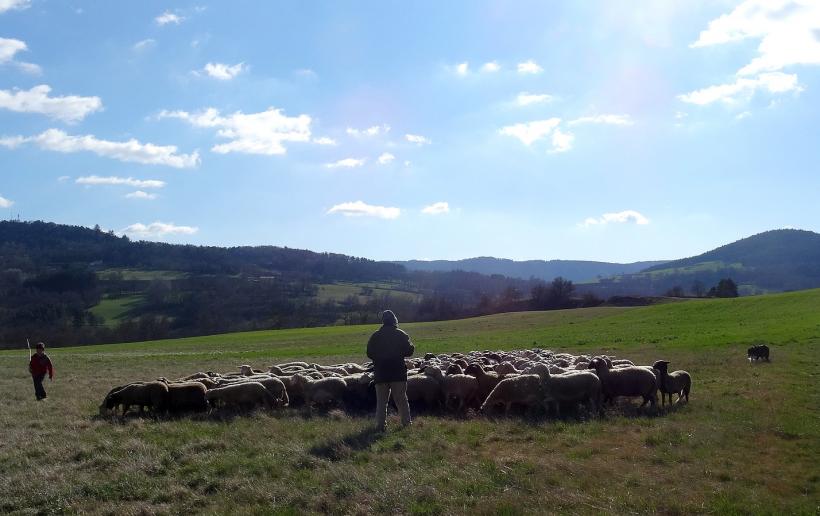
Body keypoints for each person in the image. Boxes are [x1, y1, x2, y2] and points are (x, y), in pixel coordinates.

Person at [366, 310, 414, 432]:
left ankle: (380, 426)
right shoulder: (401, 334)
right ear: (394, 320)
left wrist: (379, 359)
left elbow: (369, 353)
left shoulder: (375, 336)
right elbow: (409, 351)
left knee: (382, 402)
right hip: (398, 373)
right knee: (401, 400)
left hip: (381, 374)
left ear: (383, 321)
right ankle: (406, 424)